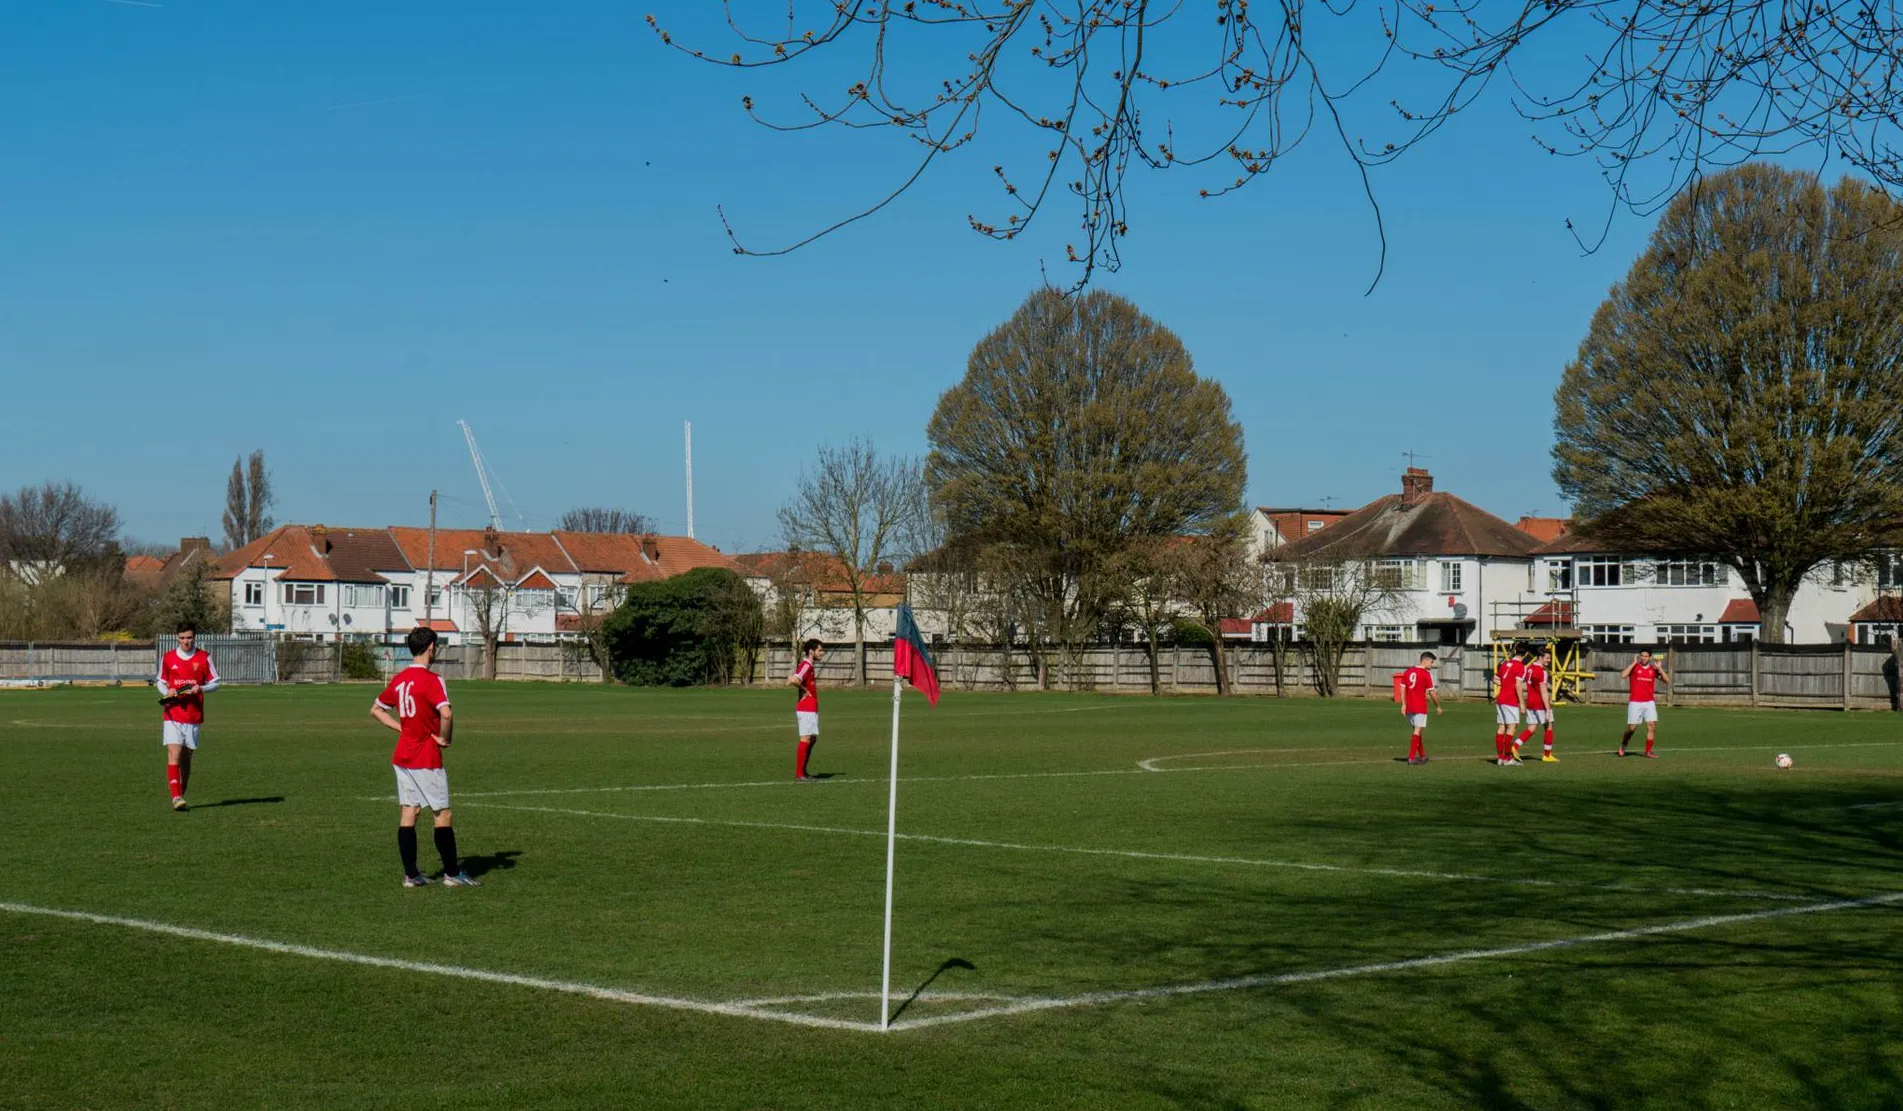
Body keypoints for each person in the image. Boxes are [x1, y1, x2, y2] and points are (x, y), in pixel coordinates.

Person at [371, 626, 480, 888]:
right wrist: (445, 738)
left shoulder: (399, 679)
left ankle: (411, 875)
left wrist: (401, 727)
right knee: (442, 814)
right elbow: (447, 714)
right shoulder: (432, 680)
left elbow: (376, 710)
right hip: (425, 757)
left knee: (409, 812)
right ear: (431, 647)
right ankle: (452, 874)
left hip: (402, 756)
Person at [155, 623, 220, 811]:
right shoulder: (168, 657)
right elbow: (160, 681)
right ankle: (175, 797)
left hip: (193, 714)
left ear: (195, 637)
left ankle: (181, 791)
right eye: (182, 637)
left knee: (186, 758)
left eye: (189, 637)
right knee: (173, 753)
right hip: (172, 713)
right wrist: (167, 691)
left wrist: (201, 688)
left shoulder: (204, 657)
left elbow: (216, 683)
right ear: (177, 637)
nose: (186, 641)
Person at [1619, 648, 1671, 758]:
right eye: (1642, 655)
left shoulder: (1653, 670)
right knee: (1632, 728)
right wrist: (1633, 663)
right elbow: (1623, 675)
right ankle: (1624, 743)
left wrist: (1660, 668)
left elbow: (1667, 681)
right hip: (1635, 702)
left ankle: (1648, 752)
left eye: (1646, 656)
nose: (1643, 658)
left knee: (1651, 726)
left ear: (1650, 657)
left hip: (1649, 702)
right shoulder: (1635, 667)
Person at [786, 638, 825, 781]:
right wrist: (804, 690)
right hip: (806, 707)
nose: (822, 653)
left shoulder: (809, 665)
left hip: (811, 707)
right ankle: (800, 774)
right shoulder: (807, 664)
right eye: (820, 650)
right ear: (811, 651)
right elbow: (794, 679)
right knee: (806, 738)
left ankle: (803, 771)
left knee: (812, 739)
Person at [1399, 651, 1443, 765]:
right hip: (1420, 707)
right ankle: (1411, 757)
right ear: (1425, 660)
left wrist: (1403, 704)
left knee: (1417, 731)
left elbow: (1402, 688)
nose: (1432, 665)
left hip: (1410, 706)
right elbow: (1432, 693)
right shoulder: (1425, 674)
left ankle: (1423, 756)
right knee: (1417, 731)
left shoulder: (1408, 671)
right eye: (1431, 662)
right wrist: (1438, 706)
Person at [1517, 645, 1559, 762]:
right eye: (1547, 658)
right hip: (1540, 704)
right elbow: (1543, 691)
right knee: (1548, 727)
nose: (1549, 660)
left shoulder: (1529, 668)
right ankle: (1547, 755)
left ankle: (1514, 747)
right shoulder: (1542, 672)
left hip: (1530, 703)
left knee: (1531, 728)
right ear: (1540, 657)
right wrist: (1547, 708)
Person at [1491, 644, 1531, 765]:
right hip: (1510, 700)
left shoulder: (1504, 664)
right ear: (1526, 654)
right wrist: (1522, 703)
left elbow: (1494, 679)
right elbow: (1518, 685)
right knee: (1511, 729)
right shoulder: (1521, 666)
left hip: (1501, 699)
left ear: (1514, 651)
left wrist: (1505, 685)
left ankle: (1500, 758)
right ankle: (1508, 759)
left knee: (1502, 728)